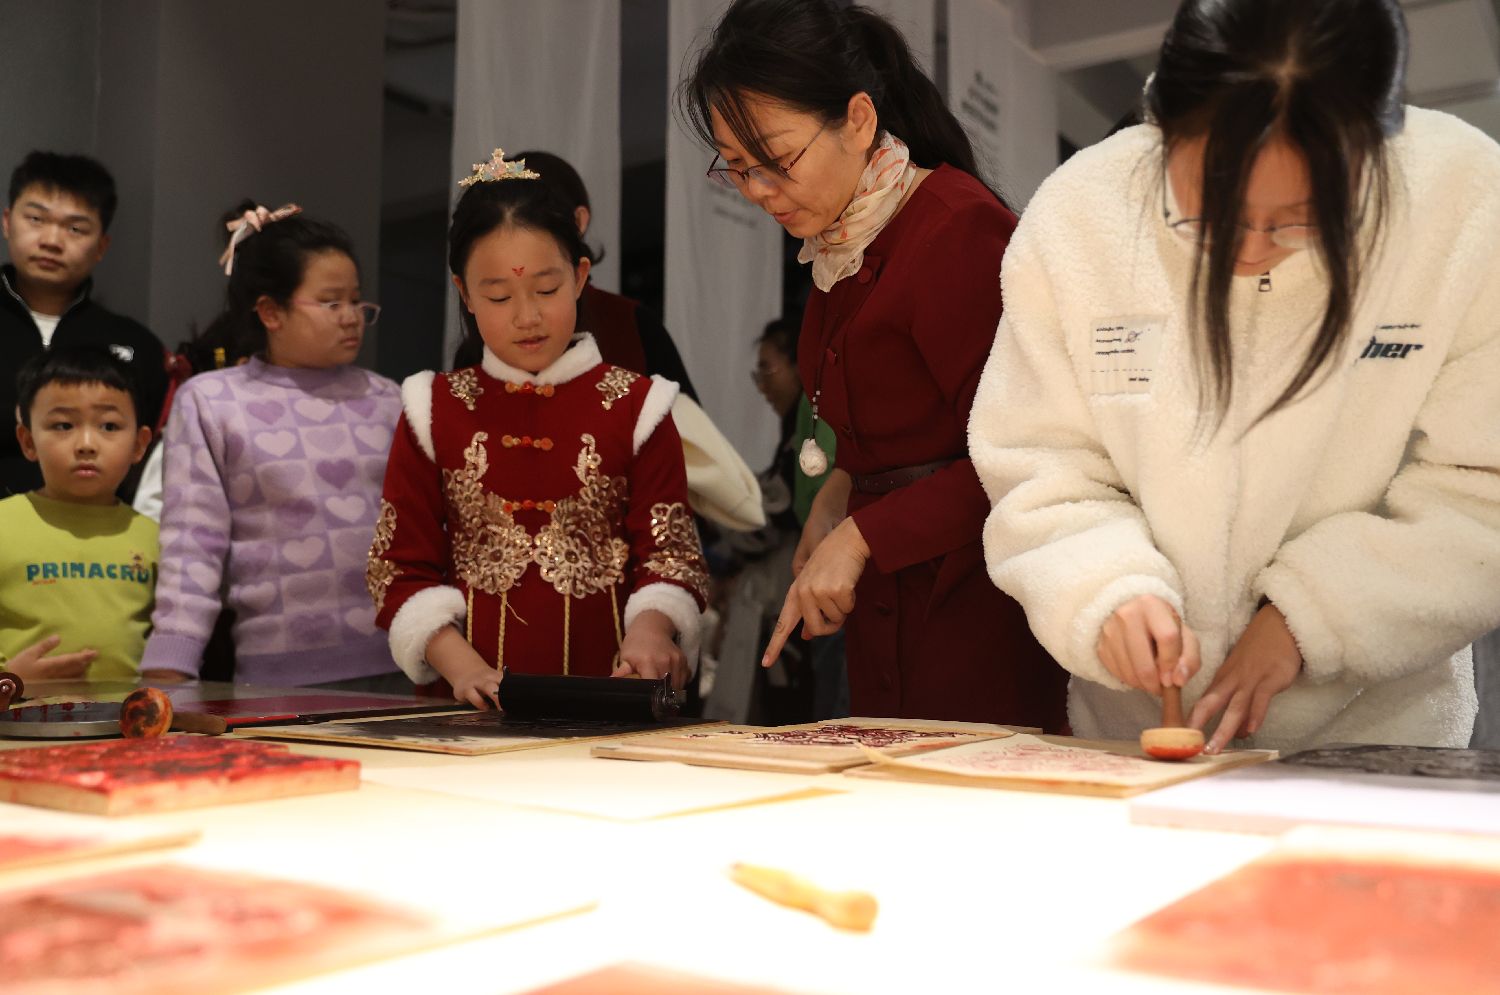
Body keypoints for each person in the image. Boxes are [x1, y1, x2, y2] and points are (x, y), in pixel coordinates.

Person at [970, 0, 1500, 754]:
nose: (1249, 251)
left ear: (1374, 153)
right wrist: (1105, 587)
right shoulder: (1081, 218)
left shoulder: (1464, 209)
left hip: (1380, 737)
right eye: (1210, 214)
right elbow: (1041, 462)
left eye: (1299, 219)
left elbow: (1480, 490)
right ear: (1163, 130)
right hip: (1136, 735)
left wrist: (1313, 616)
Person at [680, 0, 1068, 728]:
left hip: (975, 602)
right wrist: (837, 499)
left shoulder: (954, 228)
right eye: (736, 168)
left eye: (777, 161)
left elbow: (1028, 456)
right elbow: (891, 433)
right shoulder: (839, 243)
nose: (759, 191)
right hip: (887, 604)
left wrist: (863, 535)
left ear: (858, 120)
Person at [368, 150, 710, 709]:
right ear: (464, 293)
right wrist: (463, 668)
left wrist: (652, 629)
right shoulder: (431, 408)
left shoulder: (639, 406)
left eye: (546, 290)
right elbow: (397, 566)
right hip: (465, 709)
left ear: (580, 277)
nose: (526, 317)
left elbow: (670, 555)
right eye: (499, 297)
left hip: (611, 702)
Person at [139, 205, 407, 691]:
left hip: (402, 662)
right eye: (330, 302)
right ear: (271, 312)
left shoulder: (388, 398)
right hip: (275, 676)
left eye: (356, 301)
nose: (351, 317)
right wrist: (170, 664)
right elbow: (192, 543)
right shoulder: (213, 401)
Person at [1, 151, 169, 501]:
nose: (51, 240)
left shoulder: (135, 345)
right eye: (36, 219)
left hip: (98, 530)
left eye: (75, 228)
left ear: (101, 246)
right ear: (7, 222)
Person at [0, 347, 171, 682]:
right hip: (17, 714)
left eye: (109, 426)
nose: (87, 444)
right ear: (28, 441)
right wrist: (9, 680)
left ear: (139, 444)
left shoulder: (156, 537)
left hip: (130, 714)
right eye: (63, 425)